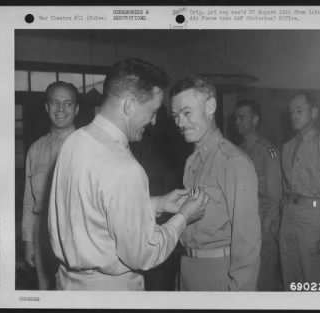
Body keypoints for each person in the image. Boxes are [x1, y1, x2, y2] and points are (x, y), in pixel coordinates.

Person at [48, 58, 208, 291]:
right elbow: (143, 254)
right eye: (152, 111)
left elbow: (92, 209)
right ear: (129, 105)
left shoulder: (75, 141)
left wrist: (158, 204)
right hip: (109, 291)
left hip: (67, 285)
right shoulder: (125, 168)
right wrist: (183, 217)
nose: (153, 121)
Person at [170, 75, 261, 291]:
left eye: (187, 113)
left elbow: (247, 242)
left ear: (210, 106)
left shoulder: (233, 161)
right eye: (175, 116)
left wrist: (240, 295)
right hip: (187, 268)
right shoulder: (193, 160)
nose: (180, 123)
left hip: (219, 273)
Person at [279, 92, 320, 290]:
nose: (294, 116)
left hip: (316, 220)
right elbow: (285, 189)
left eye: (300, 110)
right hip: (289, 218)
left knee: (317, 283)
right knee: (291, 281)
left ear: (314, 112)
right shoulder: (287, 147)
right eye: (291, 112)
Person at [22, 81, 80, 289]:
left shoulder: (86, 146)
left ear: (76, 109)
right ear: (46, 107)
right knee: (46, 293)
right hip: (41, 236)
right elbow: (29, 201)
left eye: (67, 104)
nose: (61, 109)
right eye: (55, 103)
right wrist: (28, 241)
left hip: (76, 234)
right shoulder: (35, 149)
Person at [234, 99, 282, 291]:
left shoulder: (268, 150)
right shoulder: (237, 148)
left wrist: (268, 224)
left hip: (262, 220)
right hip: (242, 220)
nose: (237, 121)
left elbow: (274, 191)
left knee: (263, 278)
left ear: (255, 120)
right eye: (236, 118)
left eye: (242, 117)